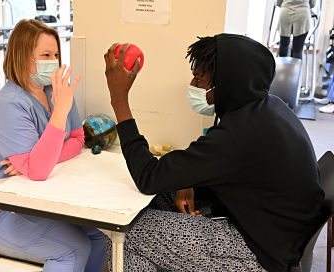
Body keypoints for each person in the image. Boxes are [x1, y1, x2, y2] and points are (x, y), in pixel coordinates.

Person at [103, 34, 326, 271]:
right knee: (151, 204)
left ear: (227, 85)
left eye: (200, 80)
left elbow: (148, 177)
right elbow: (229, 170)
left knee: (122, 231)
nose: (193, 85)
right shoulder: (266, 108)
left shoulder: (238, 135)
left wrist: (119, 99)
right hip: (268, 229)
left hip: (258, 253)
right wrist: (185, 182)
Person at [0, 19, 105, 272]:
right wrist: (59, 113)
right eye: (45, 55)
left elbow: (78, 140)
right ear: (22, 57)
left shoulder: (54, 91)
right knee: (72, 250)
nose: (54, 60)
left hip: (34, 193)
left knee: (97, 234)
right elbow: (38, 171)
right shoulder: (7, 106)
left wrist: (39, 160)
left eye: (56, 54)